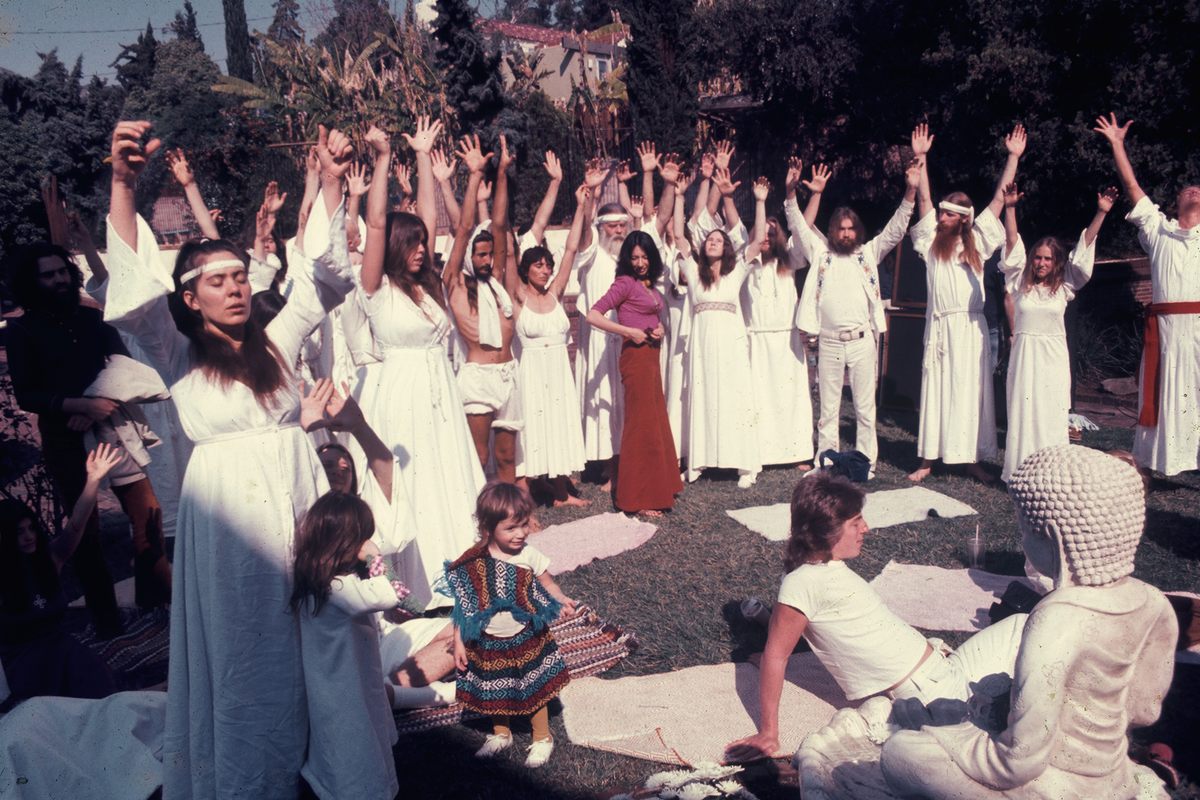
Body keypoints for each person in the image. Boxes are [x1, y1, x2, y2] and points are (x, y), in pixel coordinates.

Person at [103, 119, 355, 798]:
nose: (235, 287)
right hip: (230, 528)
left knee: (314, 631)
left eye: (240, 275)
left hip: (297, 506)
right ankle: (256, 773)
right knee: (248, 647)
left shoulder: (276, 341)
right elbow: (131, 293)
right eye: (216, 281)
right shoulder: (177, 353)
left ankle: (322, 758)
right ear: (190, 298)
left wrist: (331, 182)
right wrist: (124, 182)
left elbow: (322, 280)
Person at [723, 472, 1026, 763]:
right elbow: (778, 654)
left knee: (1023, 624)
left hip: (943, 667)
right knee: (1033, 651)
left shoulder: (819, 571)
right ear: (824, 531)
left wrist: (768, 651)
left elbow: (796, 633)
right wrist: (769, 733)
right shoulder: (802, 583)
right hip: (936, 693)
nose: (866, 528)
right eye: (855, 523)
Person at [5, 238, 169, 627]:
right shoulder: (22, 331)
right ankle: (106, 620)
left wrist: (95, 404)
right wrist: (78, 407)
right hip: (66, 440)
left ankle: (156, 605)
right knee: (85, 531)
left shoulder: (92, 319)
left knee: (148, 515)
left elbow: (122, 366)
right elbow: (28, 394)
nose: (59, 280)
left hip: (114, 427)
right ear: (32, 281)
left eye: (63, 272)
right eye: (48, 275)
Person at [357, 118, 484, 608]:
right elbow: (373, 225)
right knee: (416, 482)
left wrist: (426, 160)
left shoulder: (429, 286)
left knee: (447, 476)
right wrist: (384, 161)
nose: (419, 251)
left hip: (441, 395)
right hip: (401, 395)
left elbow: (432, 221)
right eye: (408, 245)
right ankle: (417, 585)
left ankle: (460, 573)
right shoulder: (376, 290)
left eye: (421, 245)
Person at [907, 123, 1024, 483]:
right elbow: (924, 202)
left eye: (948, 214)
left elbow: (1000, 199)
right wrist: (922, 157)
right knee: (937, 388)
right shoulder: (930, 242)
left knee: (970, 391)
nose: (941, 218)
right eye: (941, 213)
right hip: (940, 326)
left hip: (970, 328)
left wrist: (1013, 157)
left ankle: (970, 458)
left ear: (963, 219)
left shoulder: (979, 241)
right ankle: (928, 459)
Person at [790, 158, 920, 476]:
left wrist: (911, 191)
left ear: (856, 231)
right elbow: (796, 223)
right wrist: (792, 192)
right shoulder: (820, 254)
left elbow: (895, 229)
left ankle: (865, 463)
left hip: (863, 342)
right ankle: (827, 462)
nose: (846, 233)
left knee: (864, 408)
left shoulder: (868, 254)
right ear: (832, 231)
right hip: (830, 343)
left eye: (850, 229)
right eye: (840, 228)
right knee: (829, 410)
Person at [290, 492, 415, 800]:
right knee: (356, 753)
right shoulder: (339, 588)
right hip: (347, 690)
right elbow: (395, 591)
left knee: (345, 746)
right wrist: (374, 557)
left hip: (336, 685)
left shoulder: (319, 584)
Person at [1094, 113, 1200, 477]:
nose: (1193, 190)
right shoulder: (1159, 232)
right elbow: (1134, 188)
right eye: (1187, 189)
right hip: (1167, 330)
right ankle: (1161, 463)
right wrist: (1117, 145)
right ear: (1175, 202)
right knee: (1166, 395)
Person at [442, 483, 575, 768]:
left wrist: (560, 598)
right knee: (493, 687)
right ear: (489, 528)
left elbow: (547, 582)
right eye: (512, 528)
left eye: (524, 525)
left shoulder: (528, 555)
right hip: (488, 640)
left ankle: (542, 737)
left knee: (534, 688)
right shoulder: (475, 561)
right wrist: (460, 642)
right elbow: (463, 605)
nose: (521, 533)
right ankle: (501, 734)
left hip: (526, 636)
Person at [999, 183, 1115, 482]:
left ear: (1055, 263)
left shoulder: (1065, 287)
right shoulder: (1019, 284)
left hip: (1052, 358)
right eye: (1038, 257)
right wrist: (1010, 208)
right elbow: (1012, 244)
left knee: (1050, 413)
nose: (1041, 263)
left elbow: (1084, 248)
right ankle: (1021, 472)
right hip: (1025, 356)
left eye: (1048, 259)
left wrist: (1101, 213)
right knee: (1024, 412)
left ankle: (1050, 474)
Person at [0, 443, 122, 707]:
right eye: (19, 532)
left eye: (31, 528)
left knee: (101, 699)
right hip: (23, 664)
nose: (29, 536)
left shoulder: (49, 559)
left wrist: (93, 480)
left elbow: (76, 525)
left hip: (62, 652)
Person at [585, 230, 683, 515]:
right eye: (634, 257)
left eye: (644, 257)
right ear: (627, 259)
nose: (640, 262)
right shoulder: (624, 283)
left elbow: (649, 315)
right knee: (641, 426)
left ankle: (659, 487)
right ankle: (636, 498)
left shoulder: (648, 284)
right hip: (635, 359)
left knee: (655, 422)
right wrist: (628, 332)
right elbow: (593, 314)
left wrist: (659, 328)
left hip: (651, 357)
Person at [507, 180, 591, 507]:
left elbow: (570, 249)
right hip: (530, 371)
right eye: (538, 265)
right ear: (525, 269)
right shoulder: (518, 297)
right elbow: (507, 252)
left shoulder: (555, 294)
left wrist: (581, 206)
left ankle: (559, 491)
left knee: (558, 421)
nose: (544, 270)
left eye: (547, 266)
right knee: (534, 427)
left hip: (558, 369)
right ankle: (528, 494)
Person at [679, 169, 765, 487]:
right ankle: (699, 461)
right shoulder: (692, 270)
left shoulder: (735, 274)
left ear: (725, 248)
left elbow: (756, 240)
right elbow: (678, 236)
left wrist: (757, 201)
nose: (714, 241)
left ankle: (745, 466)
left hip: (730, 343)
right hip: (701, 345)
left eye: (719, 239)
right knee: (702, 395)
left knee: (734, 397)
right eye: (710, 239)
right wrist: (677, 195)